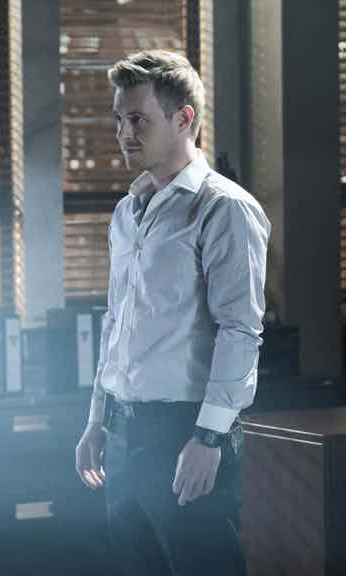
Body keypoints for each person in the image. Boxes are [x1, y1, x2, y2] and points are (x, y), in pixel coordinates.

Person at [74, 50, 269, 576]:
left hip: (185, 434)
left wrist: (209, 438)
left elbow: (240, 330)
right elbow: (117, 322)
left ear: (183, 118)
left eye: (138, 119)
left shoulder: (224, 208)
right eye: (119, 119)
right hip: (123, 436)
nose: (124, 133)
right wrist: (97, 420)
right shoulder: (127, 212)